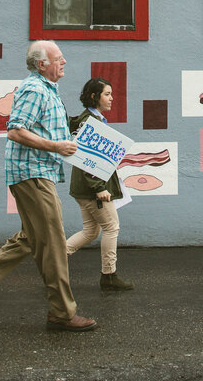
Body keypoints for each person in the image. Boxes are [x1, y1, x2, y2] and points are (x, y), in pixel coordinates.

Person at [0, 40, 98, 331]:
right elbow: (15, 130)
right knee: (54, 241)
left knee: (33, 237)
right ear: (42, 64)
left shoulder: (48, 90)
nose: (65, 61)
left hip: (38, 172)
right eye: (59, 57)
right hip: (32, 173)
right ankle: (61, 312)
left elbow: (46, 129)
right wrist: (57, 147)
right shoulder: (35, 89)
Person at [64, 77, 134, 291]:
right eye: (107, 94)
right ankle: (109, 276)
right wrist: (99, 188)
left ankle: (53, 262)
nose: (112, 98)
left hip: (84, 188)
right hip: (92, 189)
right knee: (112, 227)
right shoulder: (90, 122)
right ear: (94, 97)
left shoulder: (94, 119)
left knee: (90, 231)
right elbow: (88, 161)